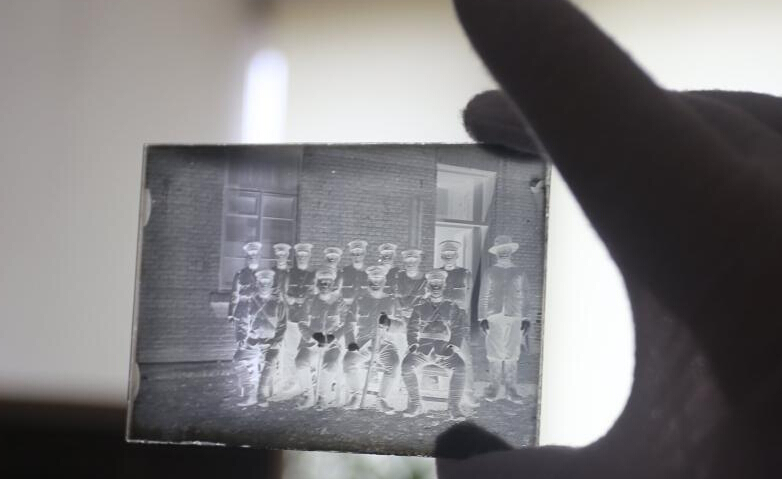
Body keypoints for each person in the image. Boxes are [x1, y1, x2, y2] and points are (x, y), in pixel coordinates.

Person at [437, 1, 782, 478]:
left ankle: (502, 383)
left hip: (506, 322)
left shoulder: (508, 274)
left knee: (503, 355)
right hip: (493, 321)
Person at [402, 270, 469, 419]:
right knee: (406, 365)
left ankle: (454, 407)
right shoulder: (419, 307)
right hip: (422, 348)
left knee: (460, 366)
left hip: (443, 349)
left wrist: (453, 346)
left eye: (439, 283)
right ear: (428, 286)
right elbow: (412, 328)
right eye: (433, 284)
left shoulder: (452, 307)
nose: (436, 287)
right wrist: (412, 344)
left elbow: (458, 329)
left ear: (444, 286)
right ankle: (416, 404)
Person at [343, 266, 406, 413]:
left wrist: (389, 322)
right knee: (348, 361)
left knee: (393, 363)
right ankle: (355, 395)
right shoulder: (360, 300)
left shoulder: (392, 301)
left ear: (384, 281)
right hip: (363, 343)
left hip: (385, 343)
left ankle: (381, 399)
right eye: (373, 279)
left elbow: (402, 326)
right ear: (368, 281)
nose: (376, 283)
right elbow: (349, 323)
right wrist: (351, 343)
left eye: (379, 279)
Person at [477, 236, 529, 403]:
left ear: (511, 251)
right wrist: (482, 317)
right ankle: (494, 387)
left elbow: (525, 296)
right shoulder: (490, 272)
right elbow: (484, 296)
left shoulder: (519, 272)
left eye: (507, 250)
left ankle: (511, 389)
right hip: (494, 317)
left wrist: (526, 317)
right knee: (494, 352)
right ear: (496, 253)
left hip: (515, 317)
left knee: (512, 353)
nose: (504, 253)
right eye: (501, 250)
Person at [295, 269, 348, 409]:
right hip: (312, 342)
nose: (324, 285)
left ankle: (322, 396)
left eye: (328, 282)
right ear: (317, 284)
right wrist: (314, 336)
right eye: (321, 282)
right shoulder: (310, 301)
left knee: (330, 364)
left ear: (333, 285)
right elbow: (302, 323)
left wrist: (333, 336)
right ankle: (308, 395)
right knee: (300, 362)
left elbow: (346, 324)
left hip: (331, 344)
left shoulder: (339, 302)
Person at [233, 269, 286, 407]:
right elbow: (243, 321)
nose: (264, 286)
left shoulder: (278, 303)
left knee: (270, 361)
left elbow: (282, 325)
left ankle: (261, 393)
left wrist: (276, 341)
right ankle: (250, 392)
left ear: (272, 284)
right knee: (238, 359)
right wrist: (243, 337)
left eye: (267, 283)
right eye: (262, 283)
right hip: (253, 341)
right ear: (257, 284)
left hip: (270, 342)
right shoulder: (250, 301)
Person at [437, 240, 477, 406]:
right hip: (441, 322)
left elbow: (470, 300)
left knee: (465, 356)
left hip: (459, 321)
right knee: (444, 355)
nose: (448, 257)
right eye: (445, 254)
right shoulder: (436, 274)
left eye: (451, 254)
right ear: (441, 256)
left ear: (457, 255)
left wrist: (467, 323)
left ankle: (468, 393)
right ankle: (448, 392)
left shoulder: (464, 274)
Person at [227, 241, 263, 326]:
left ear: (259, 257)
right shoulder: (240, 274)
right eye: (250, 256)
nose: (252, 257)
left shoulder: (263, 275)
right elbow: (234, 294)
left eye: (255, 255)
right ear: (246, 258)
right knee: (241, 333)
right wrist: (231, 314)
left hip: (257, 312)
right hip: (242, 312)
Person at [395, 249, 426, 319]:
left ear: (419, 261)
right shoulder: (398, 277)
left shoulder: (425, 279)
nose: (411, 264)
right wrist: (400, 310)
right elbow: (395, 298)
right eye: (407, 261)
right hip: (400, 317)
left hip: (418, 317)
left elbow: (426, 301)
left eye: (414, 261)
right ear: (404, 262)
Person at [341, 239, 369, 305]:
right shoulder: (344, 272)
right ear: (350, 255)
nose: (357, 256)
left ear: (364, 254)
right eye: (354, 253)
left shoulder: (370, 272)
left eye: (359, 253)